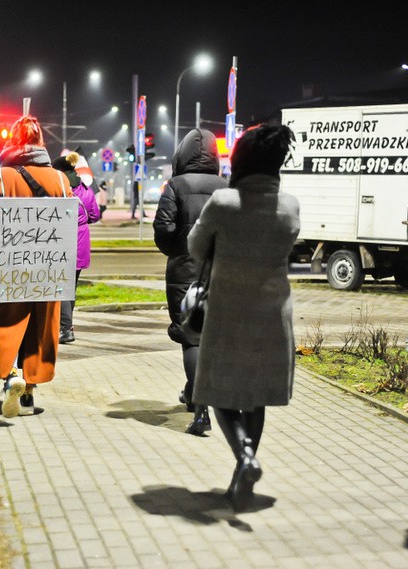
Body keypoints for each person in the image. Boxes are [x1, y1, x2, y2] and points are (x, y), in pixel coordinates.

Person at [188, 124, 300, 511]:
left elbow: (196, 247)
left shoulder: (224, 202)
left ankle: (245, 457)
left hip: (228, 314)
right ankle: (242, 480)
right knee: (256, 399)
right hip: (274, 316)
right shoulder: (289, 205)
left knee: (217, 393)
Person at [0, 115, 73, 418]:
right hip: (49, 269)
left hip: (12, 267)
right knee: (40, 328)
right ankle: (29, 394)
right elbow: (68, 227)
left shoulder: (0, 177)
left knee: (8, 325)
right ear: (40, 143)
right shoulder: (61, 179)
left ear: (13, 141)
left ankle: (11, 377)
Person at [153, 129, 226, 436]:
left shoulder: (176, 186)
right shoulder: (227, 187)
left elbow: (163, 228)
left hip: (185, 271)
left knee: (191, 337)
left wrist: (177, 252)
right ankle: (192, 392)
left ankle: (201, 411)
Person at [52, 152, 100, 344]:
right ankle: (66, 324)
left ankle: (66, 328)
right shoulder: (86, 190)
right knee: (69, 288)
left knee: (61, 287)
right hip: (81, 241)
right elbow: (95, 216)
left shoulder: (58, 190)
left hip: (62, 240)